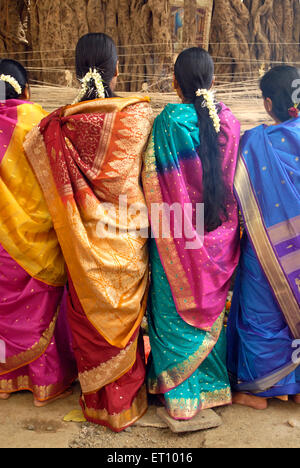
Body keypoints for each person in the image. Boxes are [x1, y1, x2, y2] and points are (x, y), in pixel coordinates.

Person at [24, 33, 153, 432]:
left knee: (88, 318)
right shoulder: (138, 115)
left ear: (76, 71)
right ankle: (126, 402)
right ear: (118, 69)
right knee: (126, 322)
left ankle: (97, 403)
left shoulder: (56, 125)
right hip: (129, 241)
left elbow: (33, 154)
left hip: (82, 245)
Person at [142, 47, 241, 420]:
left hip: (175, 238)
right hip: (218, 236)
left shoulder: (170, 119)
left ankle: (179, 396)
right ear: (213, 80)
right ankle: (213, 389)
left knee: (171, 311)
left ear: (174, 83)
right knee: (211, 311)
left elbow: (154, 178)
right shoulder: (228, 120)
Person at [0, 59, 77, 406]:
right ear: (26, 90)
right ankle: (43, 383)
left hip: (4, 242)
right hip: (40, 239)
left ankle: (7, 378)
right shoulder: (40, 122)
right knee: (40, 311)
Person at [227, 65, 300, 410]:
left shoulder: (257, 143)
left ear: (269, 102)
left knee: (262, 312)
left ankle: (260, 389)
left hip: (268, 246)